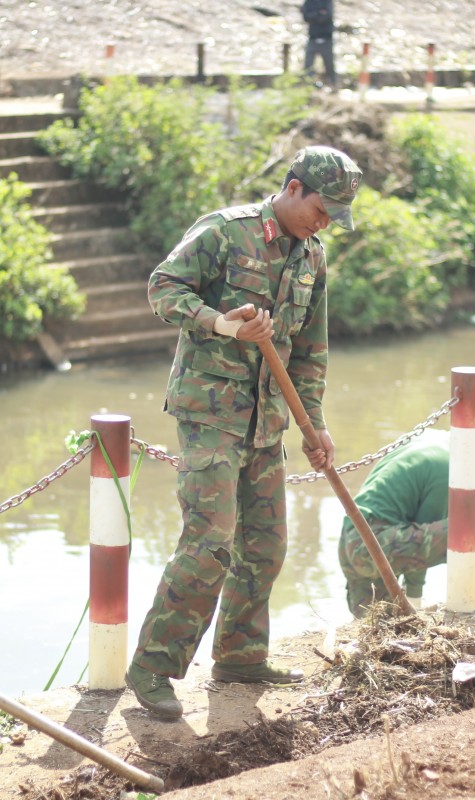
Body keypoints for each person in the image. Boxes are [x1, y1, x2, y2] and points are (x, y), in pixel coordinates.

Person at [126, 145, 362, 720]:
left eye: (335, 216)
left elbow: (309, 352)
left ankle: (240, 655)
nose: (324, 222)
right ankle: (153, 668)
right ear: (292, 187)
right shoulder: (225, 233)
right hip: (211, 414)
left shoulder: (313, 258)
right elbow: (162, 287)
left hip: (267, 422)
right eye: (321, 209)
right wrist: (219, 321)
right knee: (210, 544)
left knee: (266, 544)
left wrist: (316, 423)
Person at [339, 408, 475, 618]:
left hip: (352, 542)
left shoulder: (431, 439)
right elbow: (423, 542)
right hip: (375, 545)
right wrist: (415, 598)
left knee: (379, 623)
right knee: (467, 530)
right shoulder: (448, 467)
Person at [301, 0, 336, 87]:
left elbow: (327, 15)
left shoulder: (327, 1)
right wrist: (319, 13)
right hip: (313, 37)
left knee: (329, 65)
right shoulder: (309, 2)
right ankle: (309, 85)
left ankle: (332, 85)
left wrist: (314, 15)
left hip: (326, 38)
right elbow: (306, 16)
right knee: (308, 66)